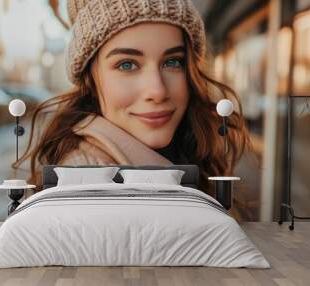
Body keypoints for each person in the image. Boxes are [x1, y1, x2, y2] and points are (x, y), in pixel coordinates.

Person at [14, 0, 250, 196]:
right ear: (91, 80)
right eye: (127, 64)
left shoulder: (194, 148)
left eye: (173, 62)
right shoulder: (87, 182)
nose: (157, 91)